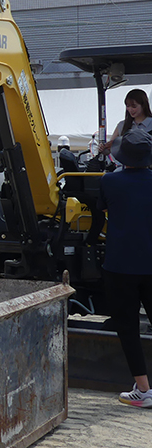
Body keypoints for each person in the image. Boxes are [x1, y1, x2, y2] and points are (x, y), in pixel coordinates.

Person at [98, 127, 152, 408]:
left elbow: (103, 211)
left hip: (120, 265)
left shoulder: (109, 182)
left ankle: (143, 390)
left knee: (128, 327)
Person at [102, 89, 152, 156]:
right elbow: (109, 149)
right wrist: (104, 148)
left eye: (134, 106)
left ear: (143, 105)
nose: (130, 109)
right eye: (128, 106)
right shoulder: (122, 125)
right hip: (125, 165)